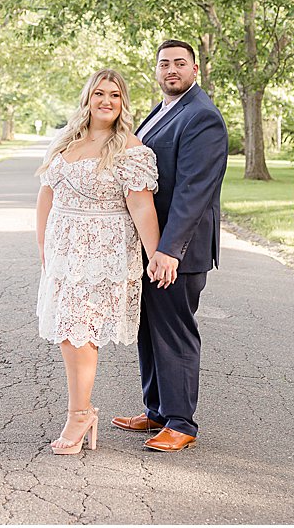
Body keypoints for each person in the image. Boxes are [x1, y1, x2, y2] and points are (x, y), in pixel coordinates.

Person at [35, 68, 161, 456]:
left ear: (122, 103)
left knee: (79, 330)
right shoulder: (64, 141)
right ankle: (81, 411)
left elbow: (141, 205)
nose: (106, 101)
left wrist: (156, 255)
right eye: (99, 93)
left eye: (115, 95)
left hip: (102, 253)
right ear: (87, 99)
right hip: (63, 252)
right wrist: (44, 251)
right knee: (67, 332)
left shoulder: (130, 149)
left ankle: (79, 414)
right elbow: (46, 196)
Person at [113, 39, 228, 453]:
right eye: (164, 64)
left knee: (174, 331)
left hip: (178, 251)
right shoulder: (161, 111)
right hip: (153, 246)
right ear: (156, 71)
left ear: (196, 70)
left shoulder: (202, 117)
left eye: (180, 63)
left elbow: (193, 192)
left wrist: (168, 250)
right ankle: (158, 411)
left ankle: (181, 422)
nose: (171, 70)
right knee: (149, 328)